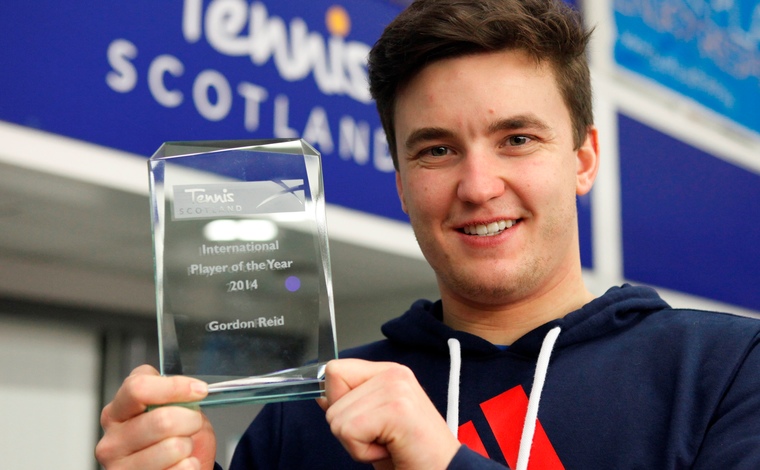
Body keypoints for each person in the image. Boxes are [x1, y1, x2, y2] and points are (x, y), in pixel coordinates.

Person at [96, 0, 760, 468]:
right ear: (401, 182)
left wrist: (445, 463)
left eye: (517, 139)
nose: (478, 185)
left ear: (583, 159)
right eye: (436, 151)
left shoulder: (724, 373)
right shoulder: (304, 415)